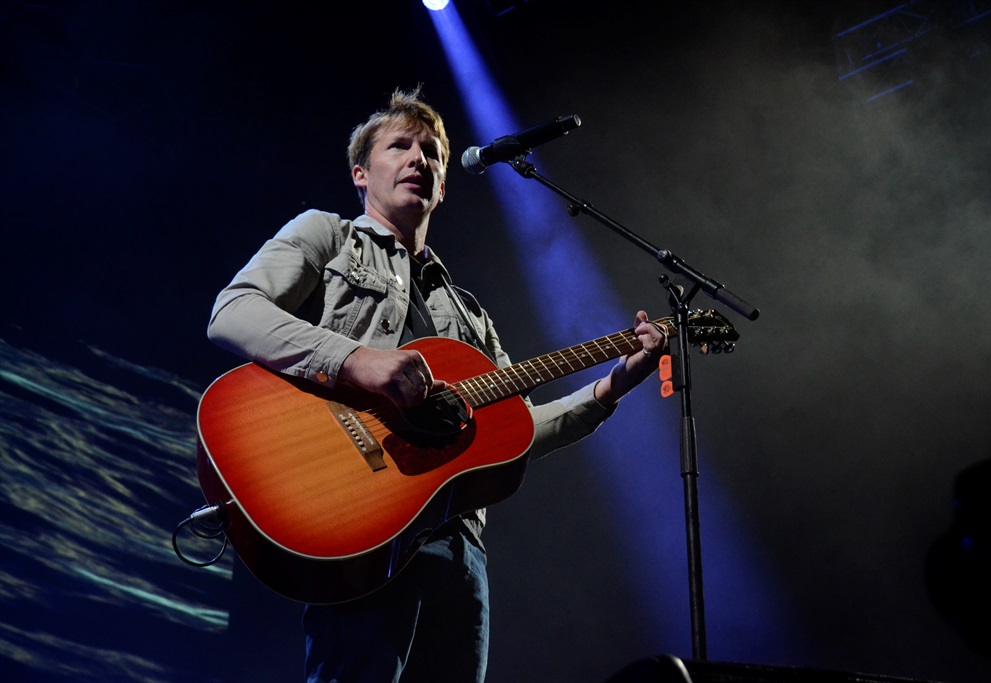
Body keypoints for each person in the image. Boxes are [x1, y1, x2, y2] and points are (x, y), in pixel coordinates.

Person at [207, 86, 668, 683]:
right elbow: (233, 311)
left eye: (432, 153)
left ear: (443, 186)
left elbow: (519, 430)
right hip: (362, 521)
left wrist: (615, 385)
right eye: (399, 146)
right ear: (360, 174)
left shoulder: (469, 315)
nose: (418, 159)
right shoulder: (326, 236)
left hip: (459, 547)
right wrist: (356, 361)